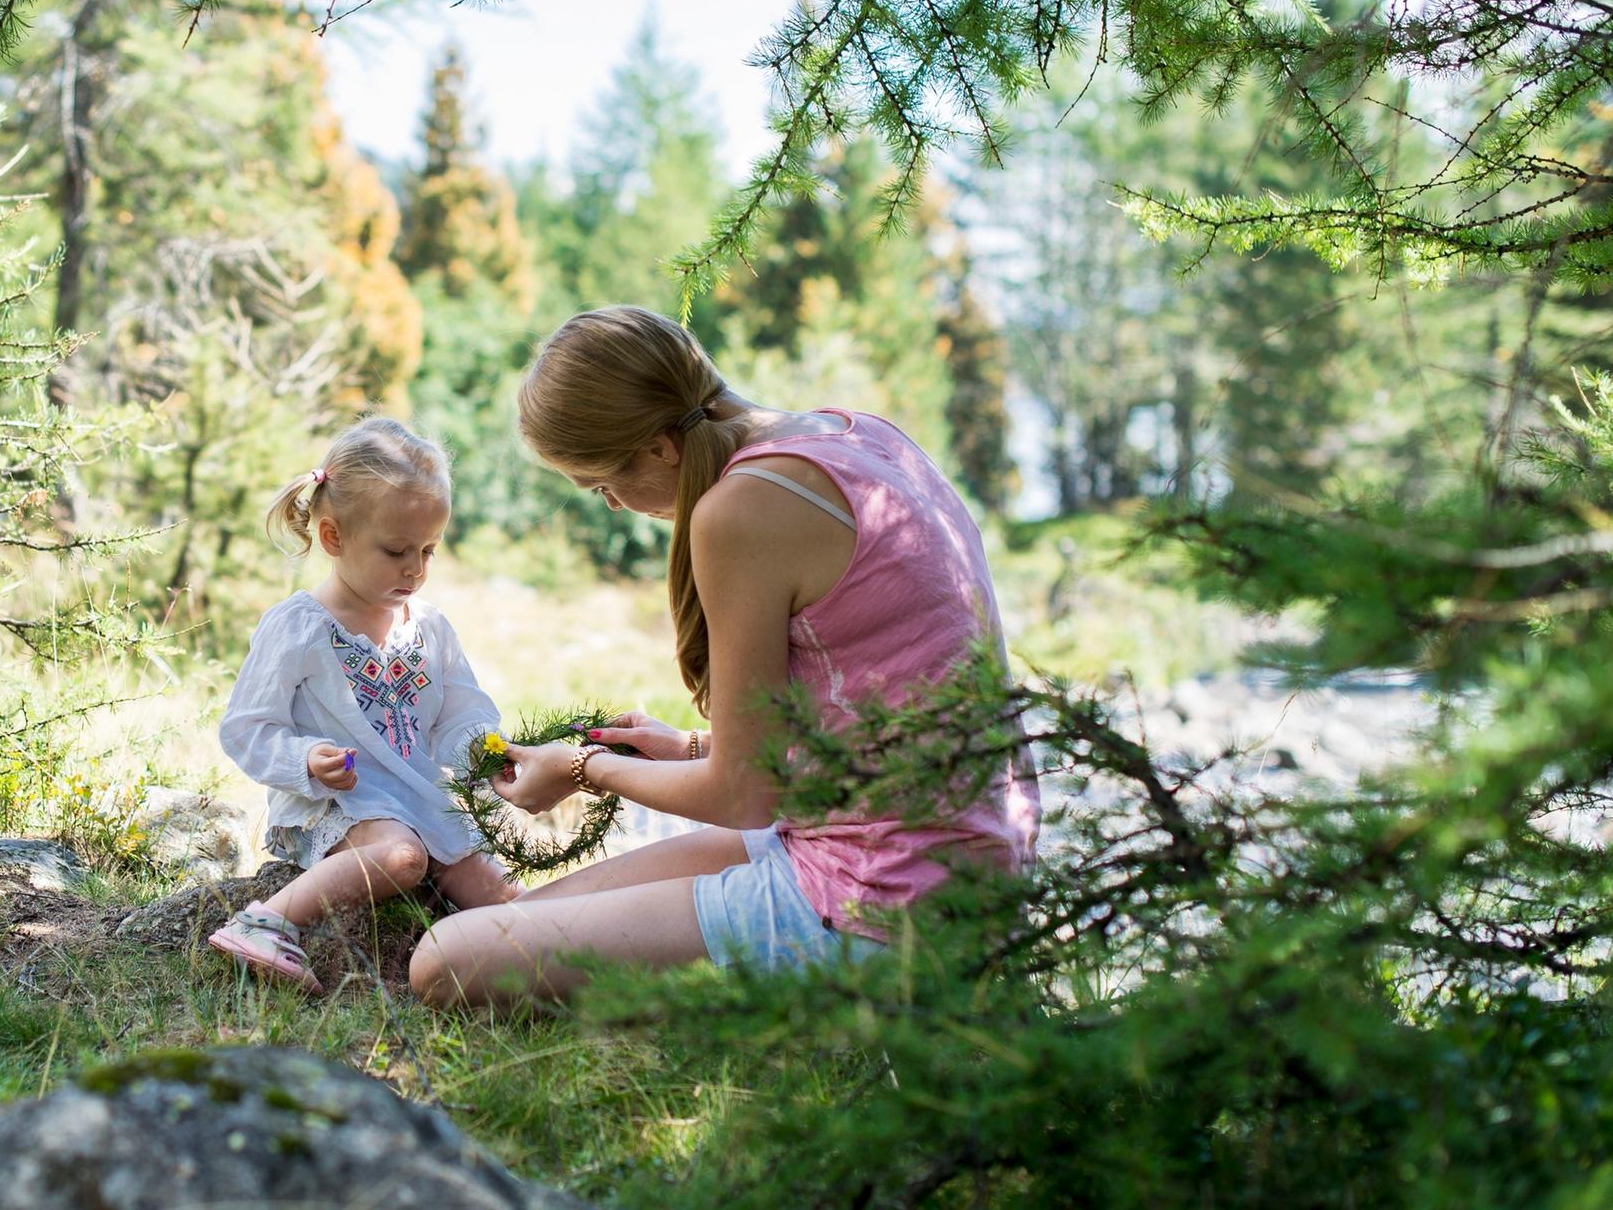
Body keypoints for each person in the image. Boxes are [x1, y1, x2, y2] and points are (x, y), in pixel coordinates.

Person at [408, 306, 1038, 1008]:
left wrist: (583, 767)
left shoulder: (744, 507)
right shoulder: (859, 435)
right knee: (501, 925)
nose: (614, 505)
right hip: (949, 866)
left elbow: (743, 796)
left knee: (444, 962)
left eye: (602, 483)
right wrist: (691, 747)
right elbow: (875, 695)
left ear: (658, 448)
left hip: (886, 900)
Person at [210, 416, 519, 991]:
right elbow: (248, 727)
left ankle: (537, 964)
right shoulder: (299, 627)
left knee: (495, 891)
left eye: (429, 550)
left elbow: (461, 712)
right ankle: (265, 920)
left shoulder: (429, 628)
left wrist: (488, 752)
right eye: (397, 550)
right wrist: (305, 761)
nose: (416, 568)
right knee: (403, 859)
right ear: (333, 538)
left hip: (415, 792)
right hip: (338, 803)